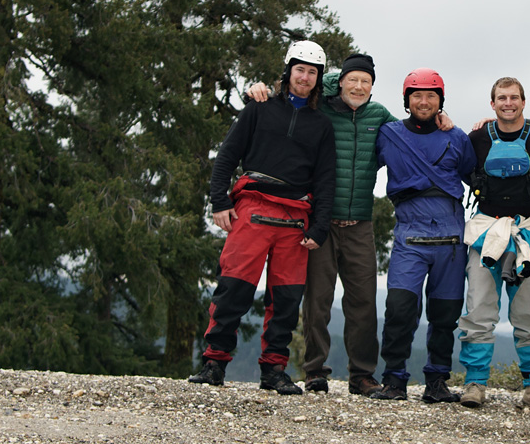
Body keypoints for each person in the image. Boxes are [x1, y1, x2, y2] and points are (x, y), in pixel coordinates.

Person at [245, 54, 456, 396]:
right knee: (318, 301)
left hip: (360, 222)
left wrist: (441, 118)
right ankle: (315, 371)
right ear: (339, 80)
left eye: (366, 82)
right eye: (352, 80)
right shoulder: (321, 108)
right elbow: (296, 91)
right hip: (319, 222)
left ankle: (362, 375)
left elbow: (414, 128)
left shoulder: (381, 118)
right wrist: (263, 89)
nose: (358, 87)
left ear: (373, 88)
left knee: (363, 302)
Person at [188, 41, 336, 395]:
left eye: (312, 72)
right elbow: (227, 156)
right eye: (300, 69)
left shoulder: (321, 125)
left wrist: (320, 225)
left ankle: (273, 371)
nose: (305, 77)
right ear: (288, 71)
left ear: (318, 79)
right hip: (253, 208)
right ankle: (214, 363)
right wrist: (219, 201)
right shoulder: (259, 108)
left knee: (285, 299)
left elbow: (326, 179)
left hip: (296, 217)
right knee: (233, 289)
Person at [458, 77, 530, 415]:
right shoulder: (476, 138)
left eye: (514, 98)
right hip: (485, 230)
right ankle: (475, 383)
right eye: (501, 98)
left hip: (526, 232)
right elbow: (453, 160)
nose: (508, 103)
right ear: (492, 104)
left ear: (524, 101)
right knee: (478, 308)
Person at [371, 68, 476, 403]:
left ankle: (437, 381)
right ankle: (394, 380)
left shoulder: (456, 137)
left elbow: (477, 176)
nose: (424, 101)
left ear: (441, 101)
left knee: (445, 315)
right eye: (417, 95)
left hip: (450, 237)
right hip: (409, 232)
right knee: (400, 308)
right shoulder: (388, 134)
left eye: (431, 95)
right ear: (406, 100)